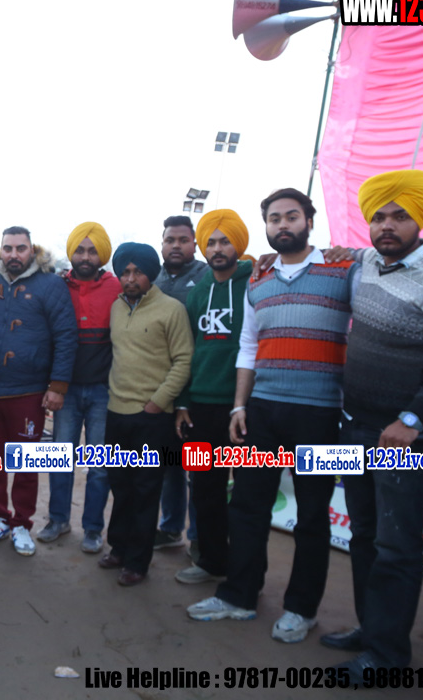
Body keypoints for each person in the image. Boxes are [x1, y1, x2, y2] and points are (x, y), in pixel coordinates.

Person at [323, 170, 423, 680]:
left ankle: (387, 658)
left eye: (399, 216)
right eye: (378, 216)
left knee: (396, 547)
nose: (386, 225)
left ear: (421, 219)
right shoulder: (368, 262)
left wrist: (411, 419)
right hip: (358, 427)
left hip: (407, 437)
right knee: (365, 536)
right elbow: (339, 254)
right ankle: (373, 631)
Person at [187, 188, 358, 644]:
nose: (283, 225)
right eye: (275, 218)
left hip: (321, 414)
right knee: (247, 506)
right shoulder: (259, 279)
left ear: (309, 221)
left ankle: (301, 609)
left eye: (291, 216)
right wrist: (239, 406)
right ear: (265, 226)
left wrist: (355, 252)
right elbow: (248, 346)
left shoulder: (343, 270)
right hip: (262, 411)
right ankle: (239, 596)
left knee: (312, 516)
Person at [0, 226, 77, 556]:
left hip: (28, 391)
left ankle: (21, 523)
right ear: (0, 251)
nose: (14, 254)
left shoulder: (51, 285)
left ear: (32, 250)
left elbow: (66, 336)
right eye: (8, 248)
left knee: (25, 463)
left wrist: (58, 386)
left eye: (21, 248)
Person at [100, 243, 193, 586]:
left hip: (153, 417)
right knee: (120, 486)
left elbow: (184, 359)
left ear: (150, 274)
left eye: (137, 272)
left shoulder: (172, 309)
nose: (130, 278)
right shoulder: (116, 307)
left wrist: (158, 402)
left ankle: (138, 562)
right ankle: (119, 548)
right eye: (125, 272)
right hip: (116, 412)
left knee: (146, 489)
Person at [172, 210, 253, 585]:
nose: (217, 249)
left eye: (225, 241)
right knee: (205, 488)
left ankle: (243, 573)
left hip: (243, 408)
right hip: (201, 407)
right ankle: (211, 562)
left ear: (239, 244)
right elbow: (186, 351)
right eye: (211, 242)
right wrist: (183, 401)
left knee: (247, 494)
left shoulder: (255, 282)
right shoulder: (198, 292)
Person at [35, 222, 119, 553]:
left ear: (102, 255)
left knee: (100, 466)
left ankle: (93, 528)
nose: (85, 257)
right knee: (60, 459)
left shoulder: (116, 287)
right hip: (65, 391)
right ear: (71, 253)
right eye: (80, 250)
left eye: (92, 251)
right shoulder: (57, 287)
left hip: (103, 391)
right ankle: (58, 520)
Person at [154, 215, 208, 554]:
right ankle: (171, 527)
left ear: (194, 244)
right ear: (162, 244)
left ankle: (199, 538)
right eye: (170, 240)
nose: (175, 246)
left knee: (197, 469)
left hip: (198, 390)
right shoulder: (152, 278)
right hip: (162, 390)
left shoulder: (207, 277)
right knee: (169, 466)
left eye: (183, 240)